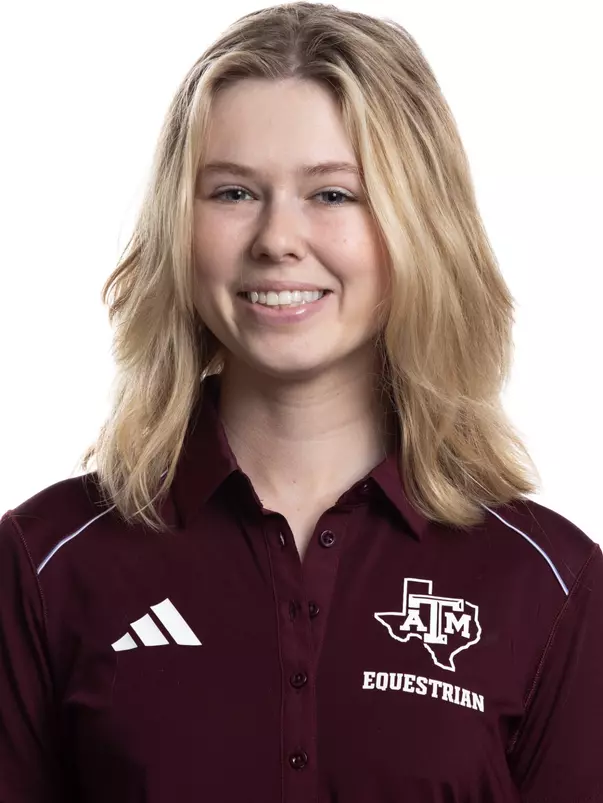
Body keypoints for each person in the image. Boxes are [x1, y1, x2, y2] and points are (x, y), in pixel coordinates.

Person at [1, 2, 601, 801]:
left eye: (332, 196)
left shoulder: (548, 583)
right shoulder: (47, 563)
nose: (277, 238)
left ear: (419, 226)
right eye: (233, 192)